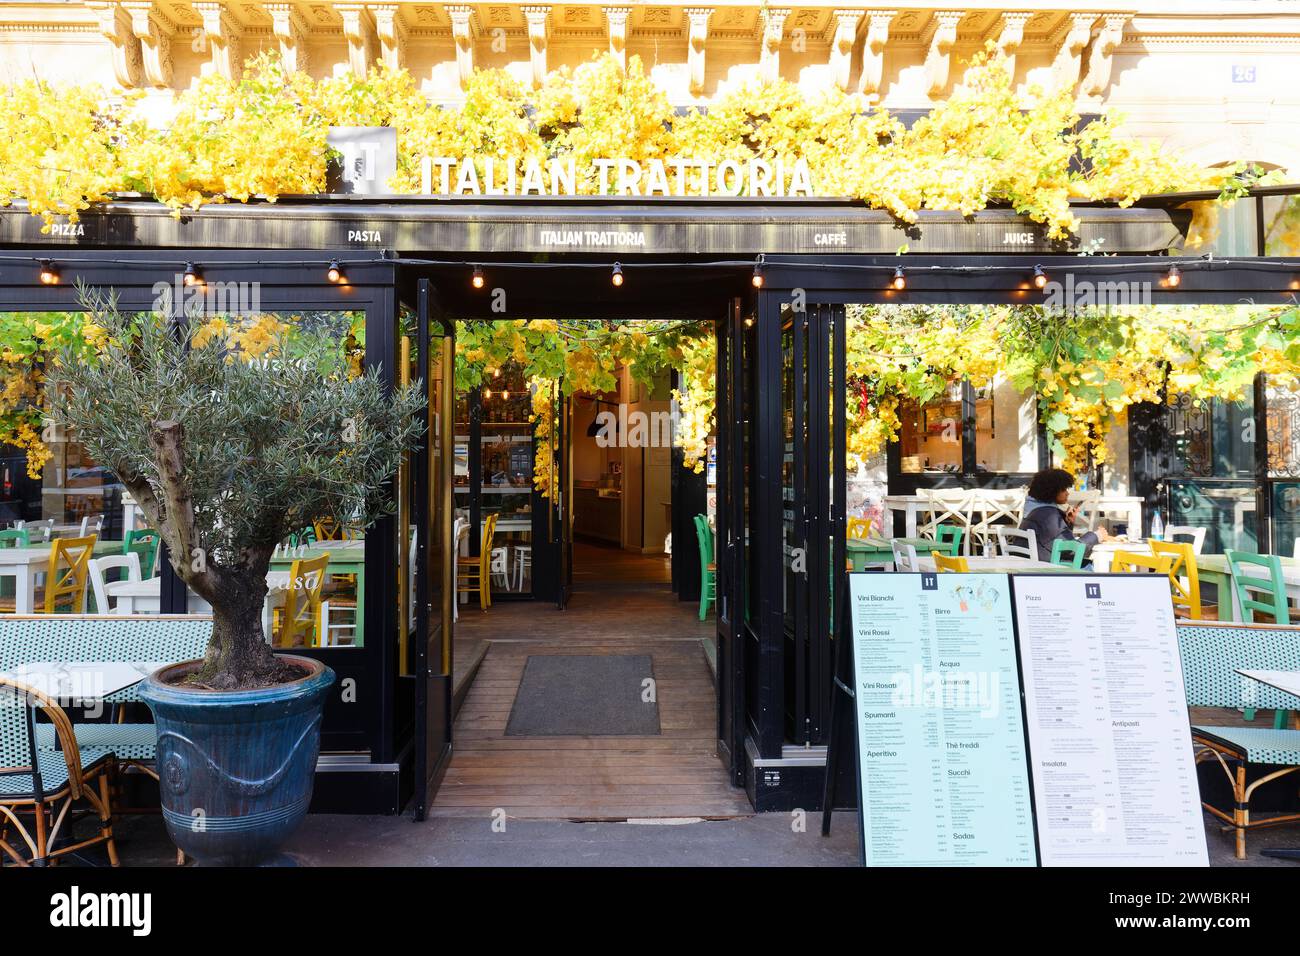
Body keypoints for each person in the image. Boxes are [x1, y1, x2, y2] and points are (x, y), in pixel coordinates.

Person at [1019, 468, 1110, 563]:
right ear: (1051, 491)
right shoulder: (1049, 516)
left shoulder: (1036, 511)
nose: (1067, 493)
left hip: (1033, 564)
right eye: (1063, 489)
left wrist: (1068, 523)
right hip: (1048, 569)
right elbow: (1070, 550)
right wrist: (1096, 535)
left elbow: (1055, 542)